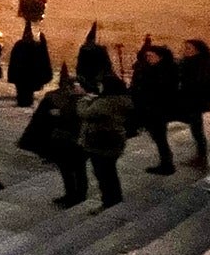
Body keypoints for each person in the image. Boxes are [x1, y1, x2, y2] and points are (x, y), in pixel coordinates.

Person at [20, 67, 90, 209]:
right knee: (68, 169)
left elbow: (78, 117)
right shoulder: (65, 99)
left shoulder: (84, 102)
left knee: (77, 169)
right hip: (65, 140)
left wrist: (60, 114)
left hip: (76, 140)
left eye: (76, 86)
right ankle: (72, 194)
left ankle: (78, 195)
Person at [77, 72, 136, 209]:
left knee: (103, 174)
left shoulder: (105, 102)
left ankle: (109, 201)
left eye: (100, 84)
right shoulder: (123, 99)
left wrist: (84, 100)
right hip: (116, 139)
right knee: (110, 171)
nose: (99, 87)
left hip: (100, 141)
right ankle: (115, 198)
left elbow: (85, 113)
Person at [130, 40, 182, 175]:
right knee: (158, 137)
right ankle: (166, 162)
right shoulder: (152, 69)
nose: (148, 59)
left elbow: (161, 90)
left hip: (157, 109)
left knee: (159, 137)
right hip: (151, 108)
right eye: (147, 56)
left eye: (151, 56)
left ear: (160, 57)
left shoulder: (166, 71)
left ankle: (167, 164)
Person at [178, 40, 210, 168]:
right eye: (185, 48)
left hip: (196, 99)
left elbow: (197, 81)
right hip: (192, 99)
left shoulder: (200, 63)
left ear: (197, 50)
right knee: (196, 127)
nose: (185, 50)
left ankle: (201, 157)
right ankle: (201, 156)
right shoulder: (189, 62)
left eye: (188, 48)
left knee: (197, 129)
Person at [9, 22, 52, 107]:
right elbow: (14, 59)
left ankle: (26, 101)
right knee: (22, 90)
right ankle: (22, 101)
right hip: (21, 72)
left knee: (28, 89)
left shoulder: (34, 45)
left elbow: (41, 57)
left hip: (29, 73)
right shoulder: (20, 45)